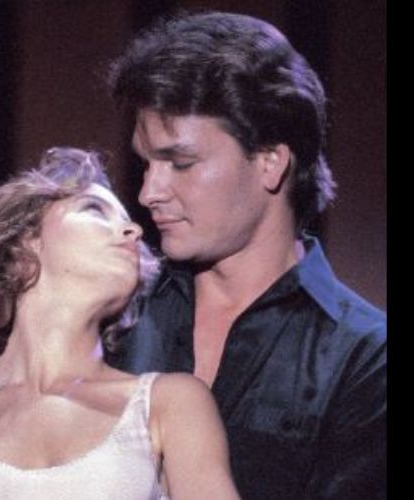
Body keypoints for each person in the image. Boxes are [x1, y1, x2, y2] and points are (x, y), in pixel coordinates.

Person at [105, 11, 387, 500]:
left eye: (180, 163)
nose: (150, 192)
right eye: (146, 164)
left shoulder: (363, 357)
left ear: (271, 162)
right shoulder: (117, 311)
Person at [0, 147, 240, 500]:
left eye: (129, 224)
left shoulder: (169, 404)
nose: (135, 231)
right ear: (20, 248)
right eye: (94, 210)